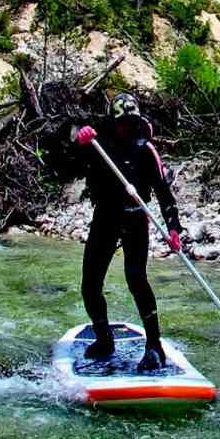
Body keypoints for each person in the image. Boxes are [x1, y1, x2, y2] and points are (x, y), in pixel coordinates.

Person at [71, 93, 183, 372]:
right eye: (121, 123)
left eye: (131, 122)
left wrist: (173, 229)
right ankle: (104, 339)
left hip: (135, 221)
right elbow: (66, 157)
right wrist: (77, 139)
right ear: (113, 123)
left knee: (137, 280)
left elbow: (164, 194)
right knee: (90, 285)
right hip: (106, 218)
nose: (126, 127)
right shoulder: (99, 146)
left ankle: (154, 346)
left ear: (137, 122)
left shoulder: (147, 151)